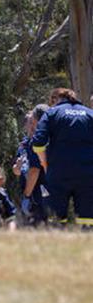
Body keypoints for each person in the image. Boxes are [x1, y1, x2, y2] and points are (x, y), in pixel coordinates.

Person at [32, 88, 93, 227]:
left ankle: (57, 245)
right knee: (88, 220)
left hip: (59, 172)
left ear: (55, 99)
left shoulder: (52, 113)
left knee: (56, 219)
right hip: (88, 172)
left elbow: (38, 143)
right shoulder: (90, 114)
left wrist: (45, 164)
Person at [13, 104, 49, 226]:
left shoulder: (39, 142)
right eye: (29, 122)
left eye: (33, 122)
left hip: (40, 193)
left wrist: (27, 196)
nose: (31, 125)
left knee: (40, 226)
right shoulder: (23, 144)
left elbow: (34, 171)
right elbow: (18, 170)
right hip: (28, 191)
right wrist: (16, 169)